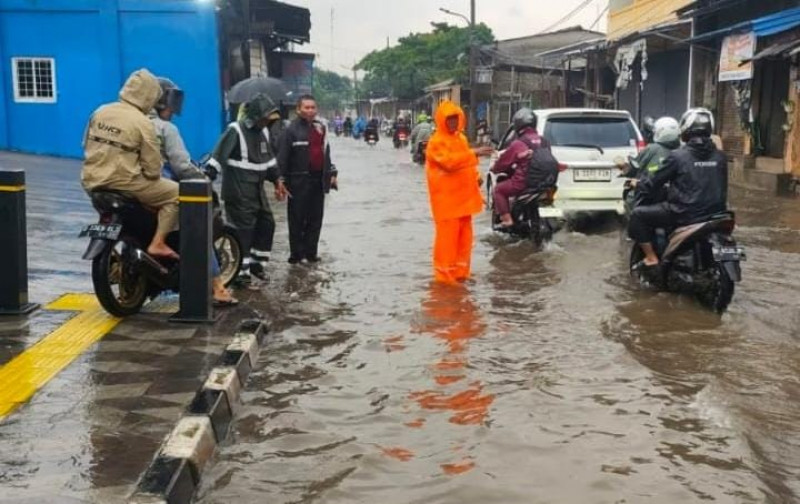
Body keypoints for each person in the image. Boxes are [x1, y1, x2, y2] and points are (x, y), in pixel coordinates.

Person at [150, 77, 238, 305]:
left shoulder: (136, 122)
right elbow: (181, 165)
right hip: (160, 187)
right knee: (199, 232)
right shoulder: (165, 128)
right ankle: (218, 287)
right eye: (172, 98)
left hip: (129, 186)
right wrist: (202, 178)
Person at [82, 68, 178, 260]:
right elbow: (152, 170)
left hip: (92, 182)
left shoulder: (100, 111)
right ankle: (158, 242)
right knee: (177, 193)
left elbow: (85, 143)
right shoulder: (143, 123)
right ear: (150, 97)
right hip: (125, 184)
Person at [628, 108, 728, 269]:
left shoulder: (677, 156)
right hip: (717, 214)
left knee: (638, 215)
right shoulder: (721, 157)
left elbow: (653, 182)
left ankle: (651, 257)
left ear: (685, 130)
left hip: (684, 213)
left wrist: (638, 184)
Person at [208, 94, 283, 284]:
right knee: (244, 230)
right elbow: (218, 156)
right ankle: (241, 272)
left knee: (268, 223)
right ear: (256, 116)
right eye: (265, 118)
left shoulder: (263, 133)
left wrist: (277, 181)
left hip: (257, 190)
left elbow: (270, 162)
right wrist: (207, 177)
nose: (268, 122)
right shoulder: (236, 130)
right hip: (238, 190)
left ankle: (257, 264)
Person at [425, 100, 494, 283]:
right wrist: (475, 152)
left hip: (464, 201)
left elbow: (467, 167)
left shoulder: (461, 139)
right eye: (450, 119)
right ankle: (444, 280)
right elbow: (449, 163)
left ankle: (461, 275)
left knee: (465, 242)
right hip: (446, 203)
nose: (454, 122)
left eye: (456, 118)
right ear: (441, 120)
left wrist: (476, 177)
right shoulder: (436, 142)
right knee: (447, 243)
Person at [276, 94, 339, 264]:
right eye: (306, 107)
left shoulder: (320, 128)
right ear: (298, 110)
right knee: (297, 219)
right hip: (298, 182)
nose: (310, 111)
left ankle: (311, 254)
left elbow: (326, 153)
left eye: (313, 107)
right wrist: (279, 180)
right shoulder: (290, 131)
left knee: (315, 218)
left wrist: (332, 173)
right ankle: (296, 256)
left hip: (318, 181)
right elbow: (282, 157)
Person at [491, 108, 549, 228]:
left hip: (524, 183)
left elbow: (503, 163)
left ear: (518, 125)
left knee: (499, 190)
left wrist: (495, 168)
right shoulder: (544, 141)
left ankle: (507, 220)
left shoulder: (518, 143)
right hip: (545, 182)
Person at [618, 116, 681, 211]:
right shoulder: (683, 150)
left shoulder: (651, 149)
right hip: (677, 202)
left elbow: (634, 169)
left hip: (650, 198)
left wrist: (623, 166)